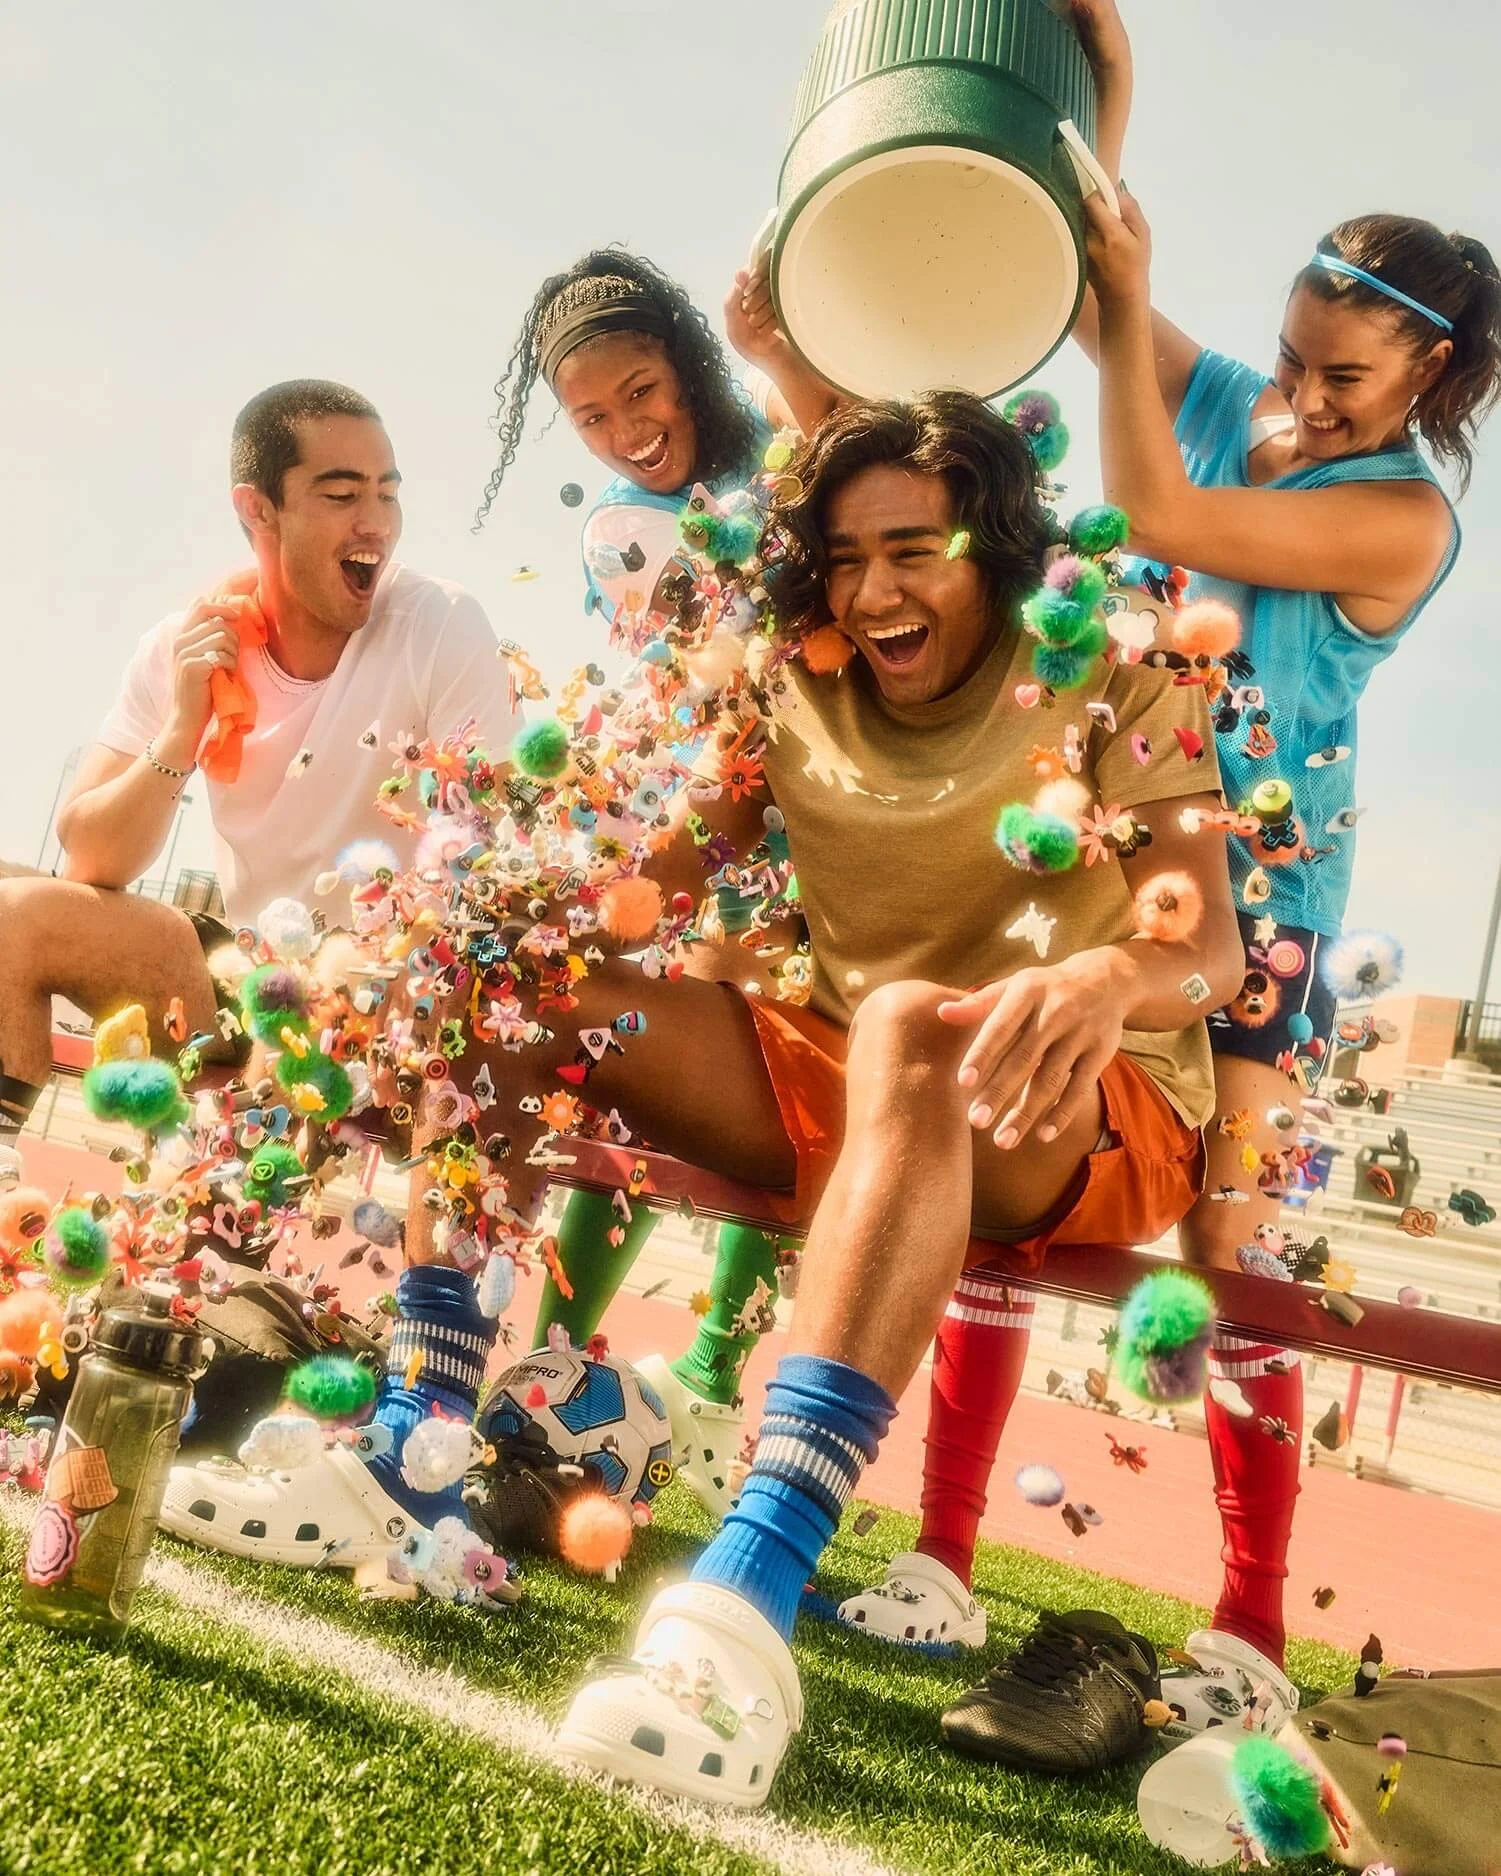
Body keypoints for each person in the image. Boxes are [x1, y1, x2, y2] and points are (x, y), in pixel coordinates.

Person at [196, 391, 1239, 1805]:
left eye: (913, 550)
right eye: (843, 558)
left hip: (1087, 1095)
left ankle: (742, 1602)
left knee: (911, 1032)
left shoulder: (1113, 663)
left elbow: (1207, 951)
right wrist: (466, 926)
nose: (872, 590)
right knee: (507, 979)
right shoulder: (790, 673)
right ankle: (412, 1455)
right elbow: (665, 873)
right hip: (852, 1063)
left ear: (995, 549)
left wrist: (1112, 978)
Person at [893, 0, 1501, 1757]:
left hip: (1268, 908)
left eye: (1347, 377)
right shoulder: (1235, 389)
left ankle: (1239, 1630)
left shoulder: (1405, 521)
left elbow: (1154, 509)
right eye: (1294, 354)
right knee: (1011, 1167)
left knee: (1225, 1241)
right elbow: (1098, 296)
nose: (1298, 395)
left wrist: (1133, 360)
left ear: (1430, 385)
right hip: (1102, 851)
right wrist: (1117, 102)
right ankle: (935, 1555)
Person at [472, 250, 839, 1518]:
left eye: (644, 392)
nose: (628, 432)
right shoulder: (617, 533)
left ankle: (715, 1375)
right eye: (593, 419)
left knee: (782, 1086)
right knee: (621, 1064)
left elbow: (840, 439)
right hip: (693, 825)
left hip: (819, 827)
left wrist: (779, 356)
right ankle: (555, 1354)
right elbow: (672, 685)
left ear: (688, 364)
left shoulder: (785, 461)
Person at [0, 379, 516, 1146]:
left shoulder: (439, 624)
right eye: (341, 495)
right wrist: (181, 732)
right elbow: (88, 860)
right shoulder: (188, 645)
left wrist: (355, 1000)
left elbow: (489, 864)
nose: (374, 522)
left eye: (387, 493)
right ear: (257, 509)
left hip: (394, 996)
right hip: (241, 979)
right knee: (16, 912)